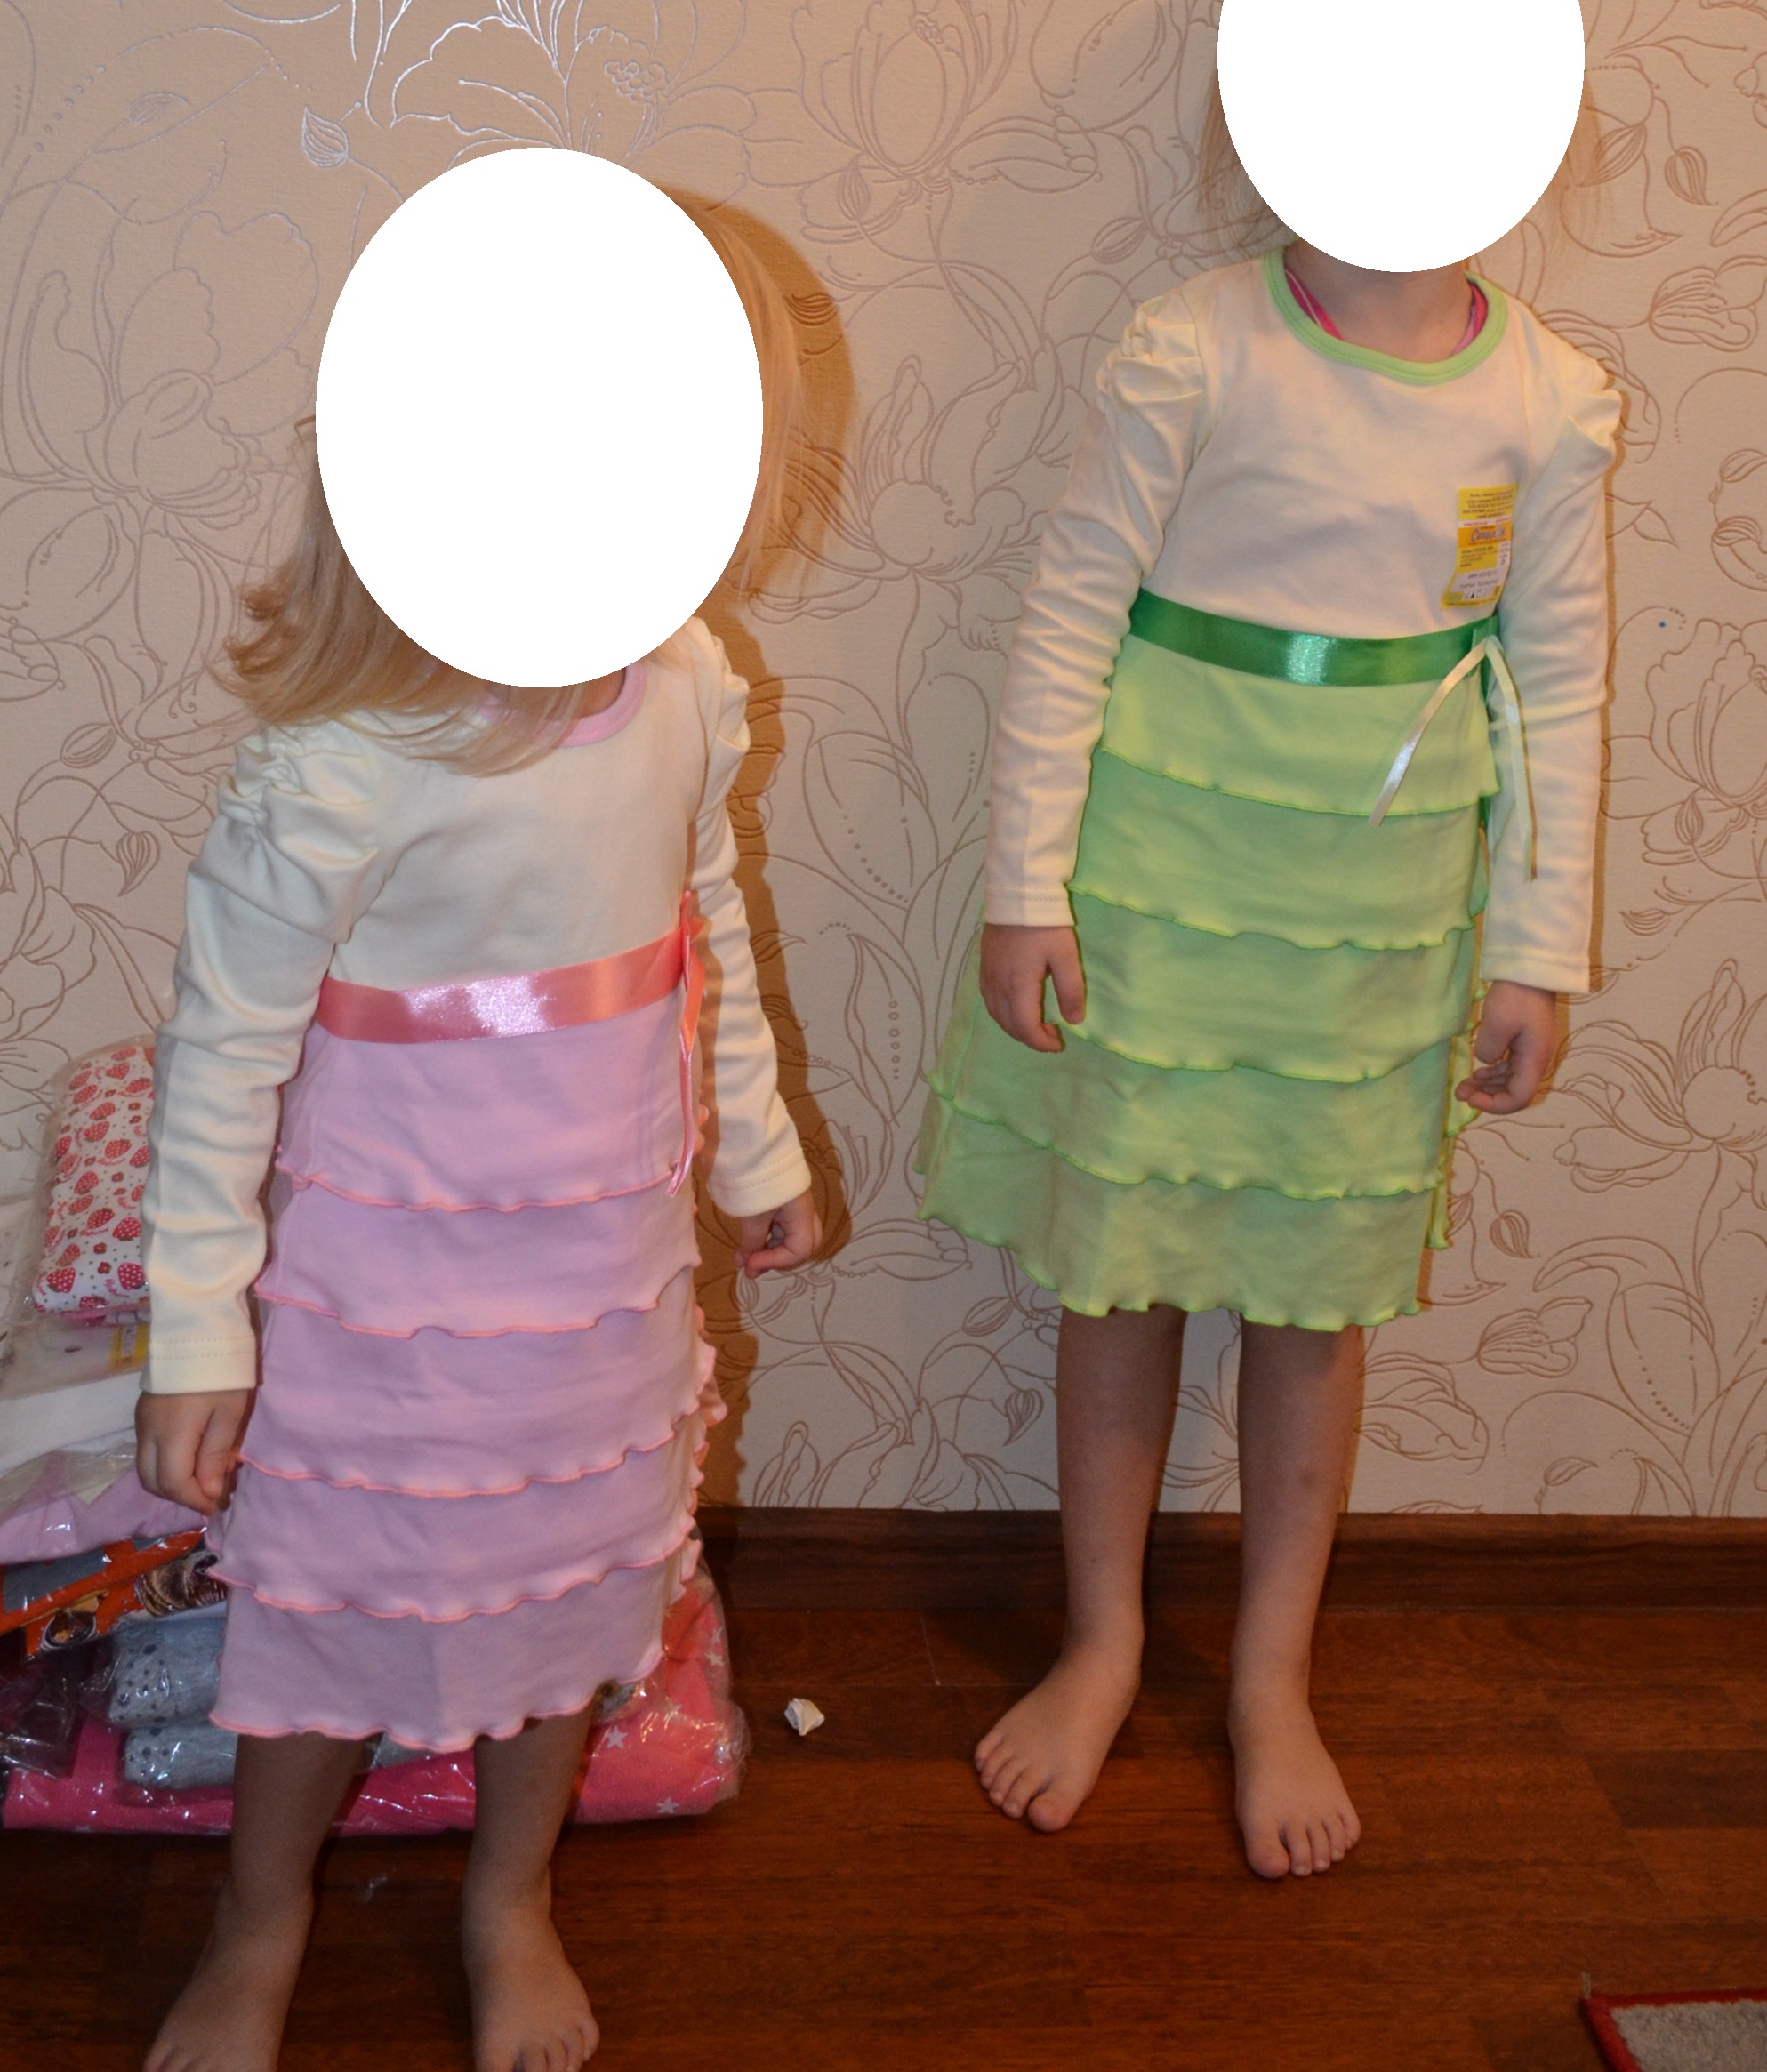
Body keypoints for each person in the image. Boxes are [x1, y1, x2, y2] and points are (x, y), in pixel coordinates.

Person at [134, 205, 820, 2072]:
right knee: (331, 1606)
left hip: (594, 1290)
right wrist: (198, 1329)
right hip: (382, 1304)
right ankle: (261, 1916)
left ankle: (508, 1896)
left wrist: (756, 1147)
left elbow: (705, 924)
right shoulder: (340, 768)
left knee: (568, 1590)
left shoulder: (682, 693)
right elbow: (219, 1061)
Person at [917, 154, 1619, 1876]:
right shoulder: (1195, 346)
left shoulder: (1547, 399)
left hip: (1371, 930)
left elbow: (1561, 686)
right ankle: (1102, 1637)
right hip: (1158, 890)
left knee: (1315, 1302)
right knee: (1122, 1269)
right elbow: (1069, 613)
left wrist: (1536, 950)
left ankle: (1269, 1675)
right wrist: (1025, 884)